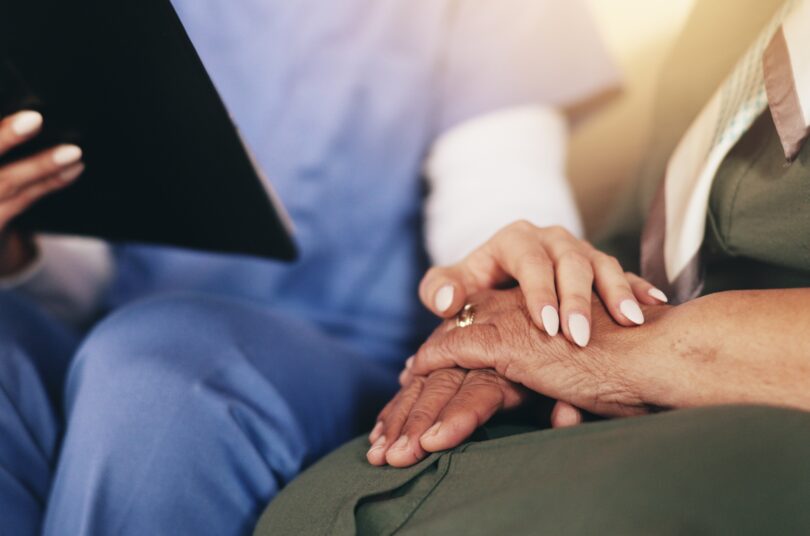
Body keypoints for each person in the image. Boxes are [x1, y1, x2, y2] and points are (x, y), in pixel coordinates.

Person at [0, 1, 627, 534]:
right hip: (107, 335)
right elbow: (96, 273)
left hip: (336, 358)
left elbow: (498, 181)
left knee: (155, 373)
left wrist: (510, 273)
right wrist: (12, 252)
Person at [255, 0, 810, 533]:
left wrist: (626, 350)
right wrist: (527, 296)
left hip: (703, 402)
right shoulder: (728, 20)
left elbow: (497, 170)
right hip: (564, 379)